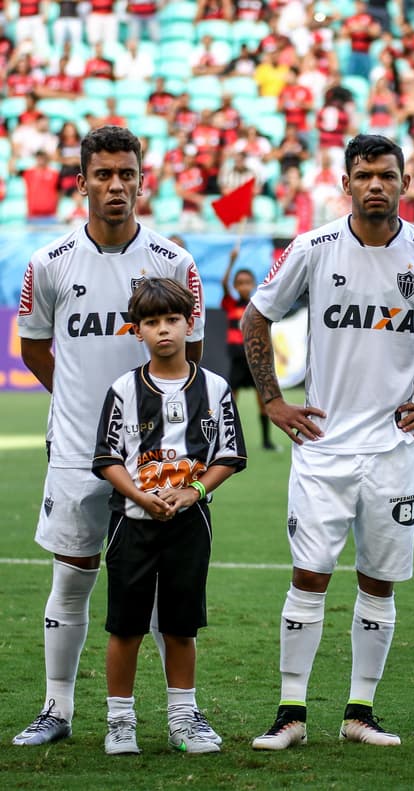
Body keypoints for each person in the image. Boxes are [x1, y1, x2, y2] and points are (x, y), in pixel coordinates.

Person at [243, 134, 414, 750]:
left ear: (405, 182)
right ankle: (290, 712)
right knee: (309, 576)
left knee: (379, 580)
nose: (375, 185)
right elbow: (256, 315)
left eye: (386, 175)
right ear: (346, 183)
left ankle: (359, 712)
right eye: (363, 174)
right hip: (323, 446)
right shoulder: (313, 248)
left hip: (394, 449)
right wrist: (271, 400)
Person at [13, 125, 207, 746]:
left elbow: (191, 358)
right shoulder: (49, 264)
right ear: (82, 183)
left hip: (158, 459)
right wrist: (84, 409)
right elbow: (36, 348)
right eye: (104, 174)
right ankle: (57, 709)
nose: (116, 185)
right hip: (75, 451)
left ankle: (175, 715)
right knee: (72, 576)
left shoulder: (174, 261)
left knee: (155, 586)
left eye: (127, 174)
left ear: (142, 181)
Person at [92, 278, 246, 755]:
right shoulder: (123, 389)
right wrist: (138, 494)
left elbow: (230, 454)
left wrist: (194, 491)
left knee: (181, 625)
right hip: (130, 525)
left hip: (189, 524)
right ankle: (120, 722)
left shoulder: (216, 387)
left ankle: (184, 719)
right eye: (152, 322)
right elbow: (107, 457)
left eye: (172, 320)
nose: (163, 330)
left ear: (189, 323)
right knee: (126, 626)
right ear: (137, 331)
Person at [222, 249, 277, 451]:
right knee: (230, 402)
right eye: (240, 283)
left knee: (262, 401)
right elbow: (223, 285)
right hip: (237, 359)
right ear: (235, 286)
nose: (244, 286)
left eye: (247, 282)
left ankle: (266, 441)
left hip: (253, 359)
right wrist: (231, 262)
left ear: (253, 285)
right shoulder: (230, 303)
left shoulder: (256, 306)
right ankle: (228, 441)